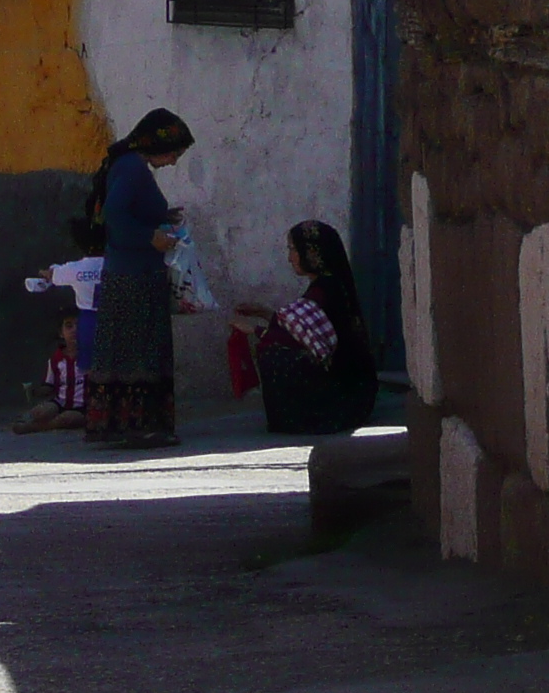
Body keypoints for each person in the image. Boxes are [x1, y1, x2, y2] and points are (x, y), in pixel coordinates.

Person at [84, 108, 192, 447]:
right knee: (141, 350)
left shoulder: (129, 166)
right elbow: (115, 215)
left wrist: (162, 216)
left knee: (128, 350)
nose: (174, 161)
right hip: (135, 277)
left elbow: (127, 210)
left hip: (128, 273)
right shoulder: (132, 168)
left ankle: (122, 425)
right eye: (174, 152)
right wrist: (150, 237)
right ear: (158, 144)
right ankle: (140, 425)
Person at [229, 218, 381, 434]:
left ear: (312, 253)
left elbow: (296, 339)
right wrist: (263, 313)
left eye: (293, 249)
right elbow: (303, 328)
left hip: (344, 394)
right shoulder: (329, 284)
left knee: (273, 352)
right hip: (355, 389)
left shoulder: (325, 291)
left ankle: (300, 416)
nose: (290, 258)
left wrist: (255, 330)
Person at [23, 219, 106, 378]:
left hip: (89, 320)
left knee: (89, 369)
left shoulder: (75, 269)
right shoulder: (112, 265)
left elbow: (53, 275)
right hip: (114, 317)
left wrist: (47, 273)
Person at [13, 316, 88, 434]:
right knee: (42, 411)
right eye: (69, 326)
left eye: (79, 326)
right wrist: (34, 391)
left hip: (83, 406)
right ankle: (25, 420)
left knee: (68, 418)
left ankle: (33, 428)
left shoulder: (89, 357)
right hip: (60, 402)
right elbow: (49, 385)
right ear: (61, 333)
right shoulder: (56, 359)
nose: (74, 330)